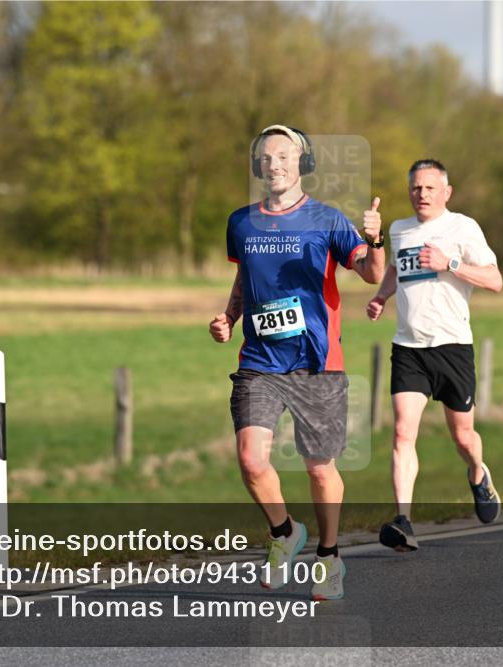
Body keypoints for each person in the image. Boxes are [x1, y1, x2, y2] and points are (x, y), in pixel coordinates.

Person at [209, 125, 384, 600]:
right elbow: (245, 278)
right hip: (260, 359)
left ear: (302, 164)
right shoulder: (241, 223)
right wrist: (229, 317)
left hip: (317, 362)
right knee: (251, 460)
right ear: (257, 166)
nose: (275, 165)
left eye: (284, 156)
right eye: (267, 158)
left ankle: (329, 556)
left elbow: (370, 274)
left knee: (319, 468)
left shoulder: (328, 219)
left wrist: (376, 240)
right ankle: (285, 532)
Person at [366, 159, 503, 552]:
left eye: (429, 188)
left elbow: (495, 280)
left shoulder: (463, 227)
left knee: (463, 437)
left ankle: (478, 474)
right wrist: (381, 296)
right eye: (415, 188)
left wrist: (451, 263)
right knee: (402, 432)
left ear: (446, 192)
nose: (421, 194)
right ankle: (403, 520)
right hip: (409, 348)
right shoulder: (399, 229)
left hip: (453, 347)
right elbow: (396, 268)